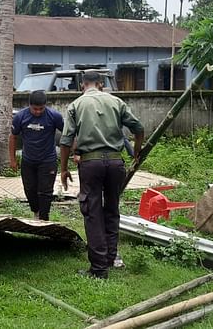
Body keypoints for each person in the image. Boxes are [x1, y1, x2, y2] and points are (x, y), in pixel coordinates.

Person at [59, 70, 144, 280]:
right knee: (112, 209)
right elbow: (138, 128)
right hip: (116, 162)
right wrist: (137, 151)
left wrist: (63, 169)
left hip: (91, 163)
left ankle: (99, 269)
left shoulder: (76, 105)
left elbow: (66, 140)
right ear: (101, 85)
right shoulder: (116, 101)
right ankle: (110, 258)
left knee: (93, 212)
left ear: (82, 86)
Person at [9, 90, 63, 221]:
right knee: (30, 189)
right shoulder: (20, 117)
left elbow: (68, 134)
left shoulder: (54, 116)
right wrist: (12, 160)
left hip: (48, 160)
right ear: (29, 105)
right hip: (28, 160)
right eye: (35, 109)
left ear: (46, 105)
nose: (38, 112)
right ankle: (36, 211)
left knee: (45, 191)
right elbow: (13, 137)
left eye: (41, 109)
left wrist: (76, 152)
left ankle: (44, 218)